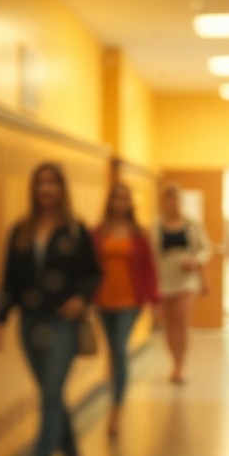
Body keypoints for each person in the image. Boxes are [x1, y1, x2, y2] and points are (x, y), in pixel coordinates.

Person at [0, 162, 103, 456]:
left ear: (61, 189)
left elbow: (93, 273)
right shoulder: (21, 231)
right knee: (51, 395)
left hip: (62, 323)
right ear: (34, 189)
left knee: (51, 395)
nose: (46, 189)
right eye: (40, 183)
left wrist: (81, 299)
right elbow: (8, 279)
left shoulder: (75, 230)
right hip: (29, 321)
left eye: (52, 183)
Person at [92, 182, 160, 440]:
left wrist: (154, 301)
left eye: (124, 198)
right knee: (113, 352)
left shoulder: (139, 235)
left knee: (119, 350)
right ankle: (116, 398)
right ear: (109, 202)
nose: (120, 203)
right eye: (116, 198)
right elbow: (89, 267)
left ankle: (116, 410)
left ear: (130, 203)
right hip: (102, 301)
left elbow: (148, 269)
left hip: (130, 301)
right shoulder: (97, 233)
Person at [156, 184, 211, 384]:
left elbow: (206, 249)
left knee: (182, 322)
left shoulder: (191, 224)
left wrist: (195, 261)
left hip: (187, 280)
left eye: (176, 198)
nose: (173, 203)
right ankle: (174, 360)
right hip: (163, 281)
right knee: (169, 325)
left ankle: (181, 365)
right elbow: (151, 256)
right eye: (169, 198)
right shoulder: (156, 225)